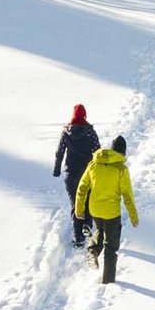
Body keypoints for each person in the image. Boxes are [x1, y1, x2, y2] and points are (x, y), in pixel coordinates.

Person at [75, 134, 139, 285]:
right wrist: (134, 217)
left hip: (95, 209)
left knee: (99, 231)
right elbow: (127, 195)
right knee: (111, 248)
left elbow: (82, 187)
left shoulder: (94, 164)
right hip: (111, 213)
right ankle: (108, 283)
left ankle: (93, 250)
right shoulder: (121, 169)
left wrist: (79, 208)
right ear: (123, 152)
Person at [52, 103, 100, 246]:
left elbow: (59, 152)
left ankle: (77, 237)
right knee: (87, 203)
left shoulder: (66, 131)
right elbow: (97, 151)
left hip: (71, 174)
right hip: (87, 173)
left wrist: (56, 170)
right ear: (84, 115)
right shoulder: (90, 132)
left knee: (75, 204)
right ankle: (87, 227)